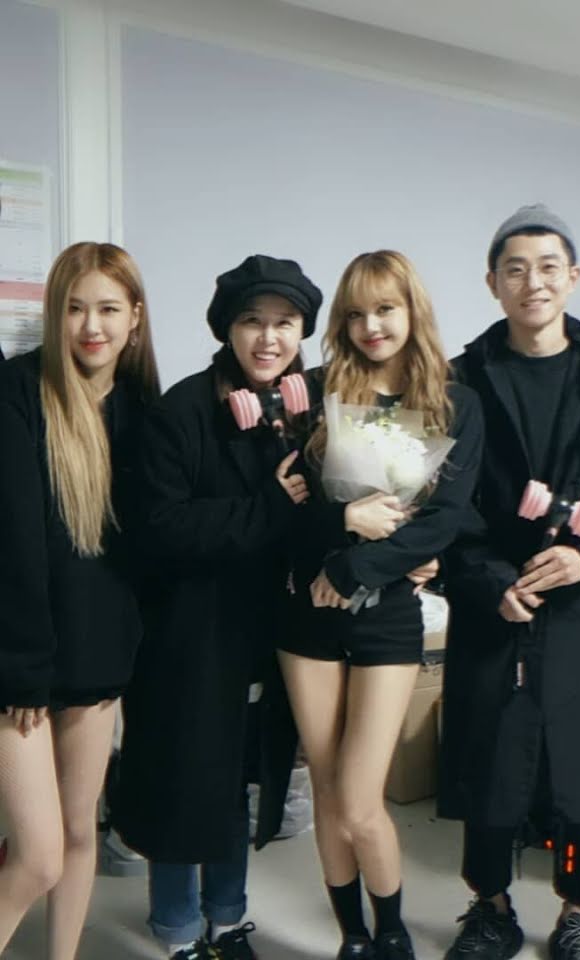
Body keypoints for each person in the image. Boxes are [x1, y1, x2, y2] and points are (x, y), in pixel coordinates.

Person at [439, 204, 580, 960]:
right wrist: (488, 578)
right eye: (516, 269)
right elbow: (447, 498)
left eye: (548, 267)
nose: (534, 282)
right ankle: (489, 905)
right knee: (490, 759)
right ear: (492, 283)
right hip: (496, 594)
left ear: (574, 277)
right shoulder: (462, 379)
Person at [273, 249, 482, 960]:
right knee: (328, 788)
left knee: (362, 802)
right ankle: (354, 937)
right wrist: (338, 528)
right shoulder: (313, 392)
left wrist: (351, 565)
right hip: (307, 612)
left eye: (385, 309)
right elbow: (287, 507)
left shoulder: (454, 402)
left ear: (412, 310)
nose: (371, 326)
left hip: (386, 610)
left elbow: (443, 521)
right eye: (356, 313)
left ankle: (393, 934)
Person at [113, 254, 323, 960]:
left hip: (268, 630)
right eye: (252, 321)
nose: (269, 338)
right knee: (185, 781)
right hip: (189, 634)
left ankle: (227, 919)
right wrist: (269, 506)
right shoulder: (179, 412)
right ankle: (177, 930)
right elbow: (160, 528)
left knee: (239, 780)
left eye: (285, 323)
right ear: (226, 329)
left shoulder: (305, 413)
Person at [0, 241, 160, 959]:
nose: (92, 326)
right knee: (36, 856)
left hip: (98, 658)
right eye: (74, 308)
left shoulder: (144, 410)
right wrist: (23, 671)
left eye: (108, 309)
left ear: (135, 317)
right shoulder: (17, 391)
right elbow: (15, 545)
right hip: (20, 664)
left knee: (75, 832)